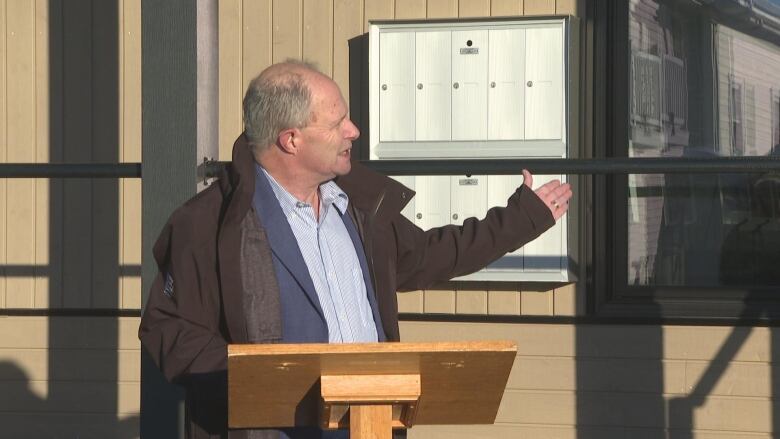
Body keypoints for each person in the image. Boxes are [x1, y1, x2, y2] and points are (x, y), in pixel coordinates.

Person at [139, 60, 572, 439]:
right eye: (337, 123)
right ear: (291, 140)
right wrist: (263, 379)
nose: (353, 131)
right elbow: (167, 331)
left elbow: (431, 255)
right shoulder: (208, 224)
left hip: (371, 429)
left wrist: (523, 218)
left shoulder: (359, 208)